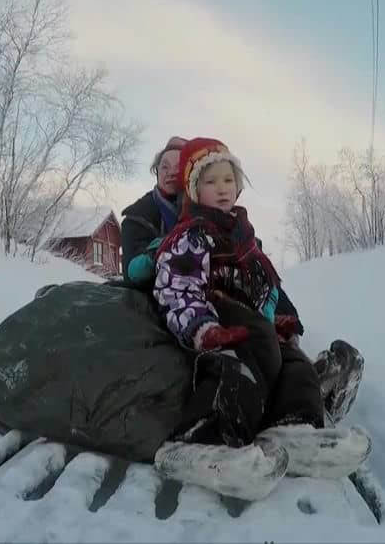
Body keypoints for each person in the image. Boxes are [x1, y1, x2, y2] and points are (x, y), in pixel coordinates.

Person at [149, 137, 371, 501]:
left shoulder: (245, 235)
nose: (222, 188)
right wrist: (202, 327)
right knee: (252, 349)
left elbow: (268, 286)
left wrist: (286, 320)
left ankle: (294, 428)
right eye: (210, 181)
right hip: (216, 321)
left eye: (228, 179)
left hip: (252, 323)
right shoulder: (191, 234)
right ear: (193, 189)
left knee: (293, 361)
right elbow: (176, 287)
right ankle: (200, 437)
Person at [121, 137, 306, 339]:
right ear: (156, 172)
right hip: (168, 296)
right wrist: (162, 251)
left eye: (177, 166)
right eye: (164, 167)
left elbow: (252, 259)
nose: (171, 172)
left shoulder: (208, 205)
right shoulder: (138, 216)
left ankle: (288, 336)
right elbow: (133, 272)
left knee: (253, 266)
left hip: (217, 289)